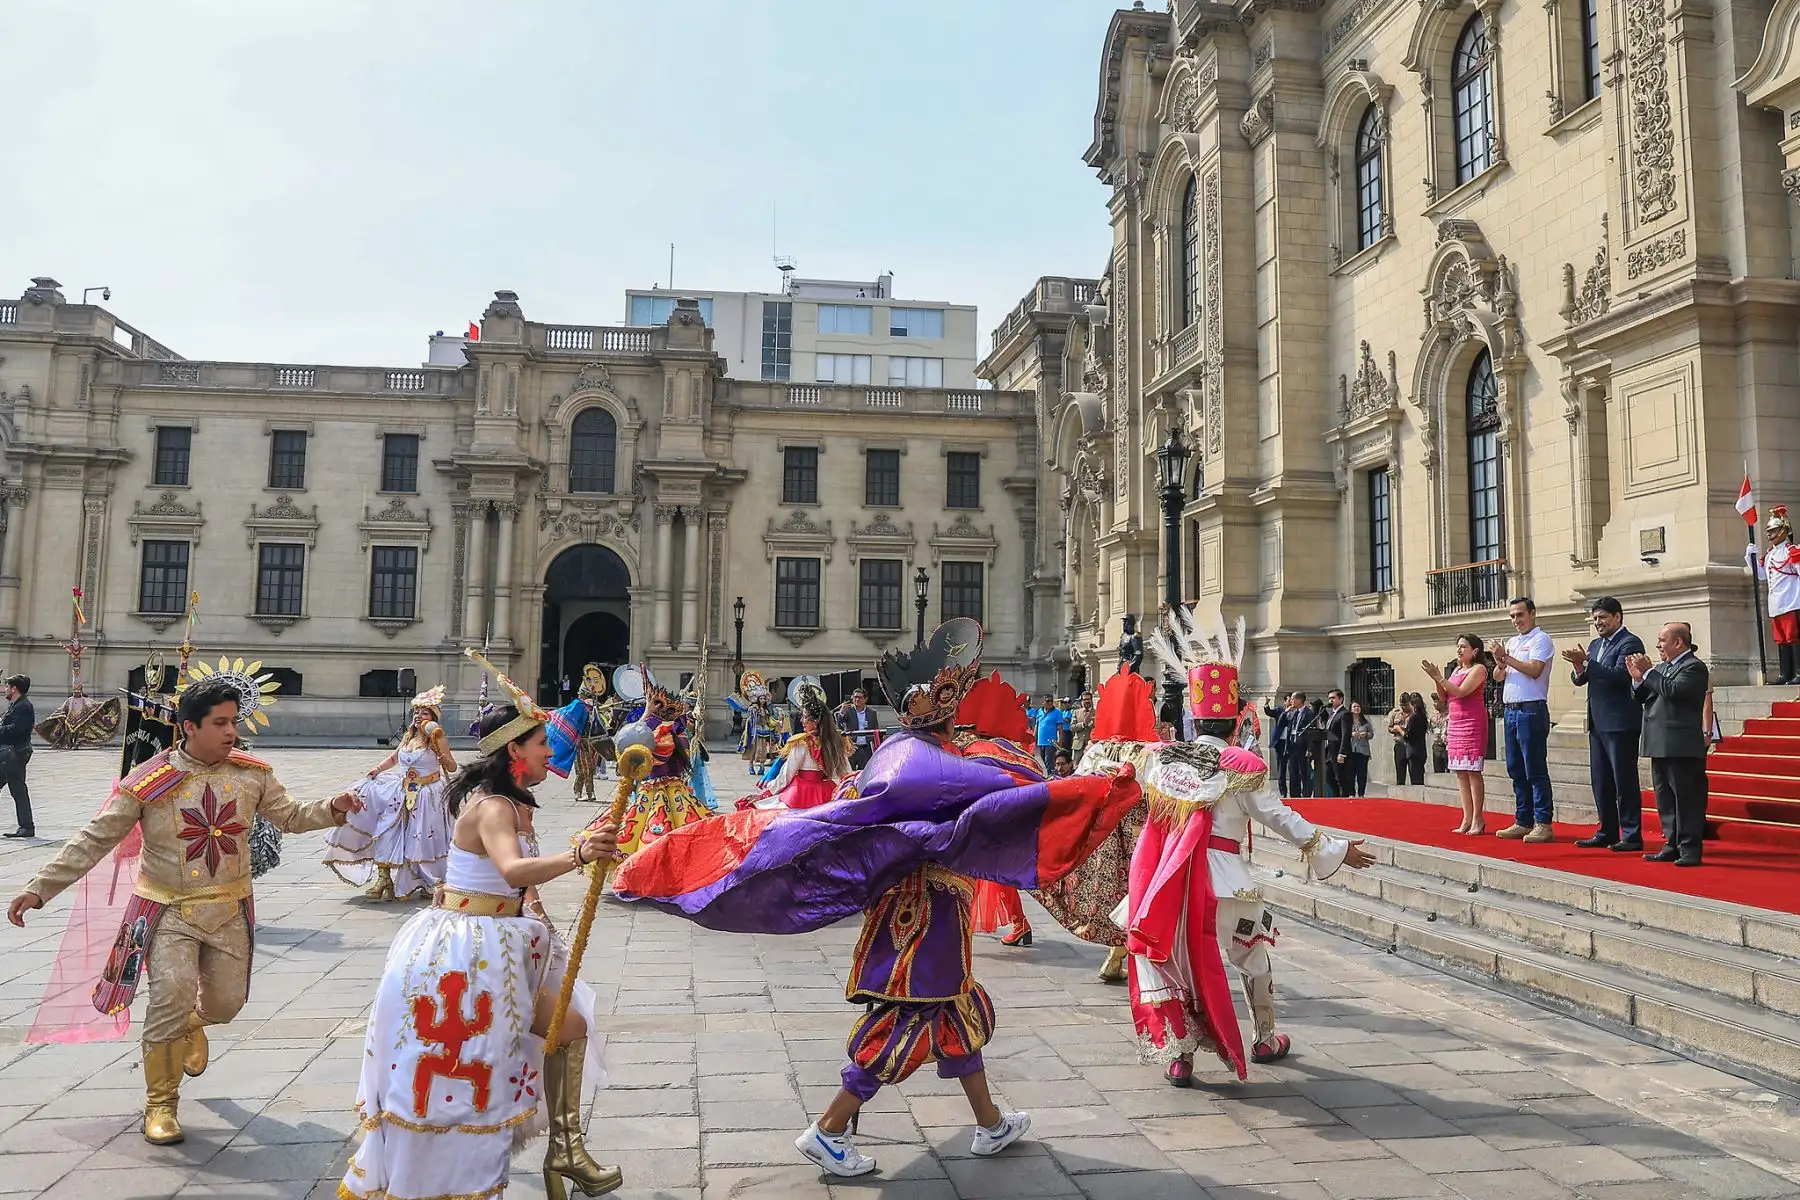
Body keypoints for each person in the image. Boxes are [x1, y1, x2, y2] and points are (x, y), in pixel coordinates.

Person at [613, 619, 1142, 1178]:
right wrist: (1091, 787)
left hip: (932, 912)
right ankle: (829, 1129)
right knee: (906, 1022)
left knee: (954, 1014)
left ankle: (989, 1124)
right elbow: (1003, 792)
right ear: (940, 708)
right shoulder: (919, 760)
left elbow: (994, 789)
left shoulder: (920, 754)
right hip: (922, 916)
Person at [8, 671, 361, 1144]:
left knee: (226, 1005)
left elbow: (293, 816)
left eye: (235, 721)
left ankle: (193, 1027)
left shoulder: (252, 776)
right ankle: (161, 1103)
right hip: (166, 909)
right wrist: (41, 887)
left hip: (229, 910)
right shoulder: (150, 782)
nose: (232, 731)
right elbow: (96, 838)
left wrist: (334, 807)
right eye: (220, 723)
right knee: (169, 997)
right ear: (189, 726)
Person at [340, 665, 627, 1200]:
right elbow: (513, 870)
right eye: (543, 744)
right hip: (467, 954)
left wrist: (537, 910)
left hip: (498, 940)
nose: (550, 753)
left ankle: (565, 1148)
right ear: (515, 752)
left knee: (572, 1025)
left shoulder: (515, 805)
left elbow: (514, 883)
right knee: (470, 1068)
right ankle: (458, 1169)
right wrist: (581, 854)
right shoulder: (494, 807)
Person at [1123, 606, 1376, 1085]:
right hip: (1226, 880)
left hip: (1171, 880)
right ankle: (1264, 1036)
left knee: (1173, 961)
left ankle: (1181, 1055)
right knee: (1252, 955)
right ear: (1236, 721)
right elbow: (1282, 818)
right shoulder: (1243, 766)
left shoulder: (1161, 761)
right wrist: (1337, 849)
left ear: (1193, 720)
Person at [1036, 671, 1155, 985]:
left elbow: (1081, 783)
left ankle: (1117, 956)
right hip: (1137, 837)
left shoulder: (1097, 751)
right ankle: (1125, 956)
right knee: (1135, 894)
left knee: (1110, 895)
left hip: (1102, 838)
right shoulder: (1147, 752)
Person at [323, 685, 458, 900]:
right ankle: (384, 877)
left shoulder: (437, 738)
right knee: (385, 831)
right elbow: (394, 758)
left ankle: (428, 880)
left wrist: (444, 758)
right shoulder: (408, 738)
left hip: (427, 795)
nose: (418, 717)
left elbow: (452, 768)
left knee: (421, 839)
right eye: (416, 712)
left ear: (433, 718)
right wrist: (377, 769)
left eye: (424, 713)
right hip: (401, 791)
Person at [1563, 597, 1647, 851]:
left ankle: (1631, 835)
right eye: (1595, 618)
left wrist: (1588, 663)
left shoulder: (1629, 642)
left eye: (1603, 617)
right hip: (1597, 722)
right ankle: (1607, 830)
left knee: (1624, 780)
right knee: (1601, 780)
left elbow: (1621, 676)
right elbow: (1582, 679)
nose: (1598, 622)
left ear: (1618, 617)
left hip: (1620, 722)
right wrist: (1579, 667)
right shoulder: (1595, 643)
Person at [1630, 623, 1710, 868]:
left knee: (1686, 798)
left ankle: (1690, 848)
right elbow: (1645, 696)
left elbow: (1672, 690)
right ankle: (1671, 843)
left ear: (1678, 643)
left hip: (1681, 745)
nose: (1658, 646)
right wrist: (1637, 679)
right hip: (1659, 742)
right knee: (1665, 798)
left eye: (1662, 640)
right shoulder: (1662, 668)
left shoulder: (1694, 667)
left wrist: (1649, 673)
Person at [613, 678, 711, 858]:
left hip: (654, 793)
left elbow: (627, 741)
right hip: (677, 790)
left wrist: (646, 714)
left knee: (649, 833)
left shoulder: (660, 733)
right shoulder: (677, 733)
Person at [1491, 596, 1556, 842]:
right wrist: (1500, 662)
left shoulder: (1541, 639)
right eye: (1512, 616)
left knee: (1534, 768)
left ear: (1532, 614)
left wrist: (1506, 659)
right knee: (1515, 767)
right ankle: (1523, 819)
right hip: (1511, 710)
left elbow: (1534, 669)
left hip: (1531, 709)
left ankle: (1543, 822)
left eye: (1520, 615)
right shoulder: (1512, 642)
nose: (1516, 620)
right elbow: (1499, 676)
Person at [738, 687, 852, 811]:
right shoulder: (835, 741)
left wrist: (765, 794)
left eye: (804, 717)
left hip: (800, 794)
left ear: (816, 721)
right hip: (826, 793)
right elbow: (847, 773)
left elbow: (786, 775)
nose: (802, 721)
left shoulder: (802, 743)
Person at [1425, 636, 1492, 835]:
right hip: (1455, 722)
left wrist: (1440, 677)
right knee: (1460, 772)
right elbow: (1445, 697)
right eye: (1458, 646)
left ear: (1475, 651)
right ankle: (1466, 817)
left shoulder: (1479, 670)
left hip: (1472, 722)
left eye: (1464, 646)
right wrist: (1436, 680)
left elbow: (1462, 692)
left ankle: (1478, 819)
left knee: (1472, 771)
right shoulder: (1456, 670)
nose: (1459, 650)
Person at [1762, 506, 1799, 684]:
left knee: (1793, 637)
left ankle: (1798, 673)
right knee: (1781, 640)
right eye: (1768, 531)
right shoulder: (1770, 554)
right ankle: (1785, 673)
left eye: (1774, 531)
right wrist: (1751, 558)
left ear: (1784, 530)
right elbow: (1762, 576)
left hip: (1791, 600)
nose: (1770, 535)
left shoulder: (1792, 550)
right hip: (1775, 603)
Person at [1, 675, 36, 838]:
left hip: (15, 754)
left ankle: (27, 827)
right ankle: (26, 826)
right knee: (18, 789)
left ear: (14, 688)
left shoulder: (23, 706)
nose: (5, 689)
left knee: (18, 789)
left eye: (7, 686)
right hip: (9, 754)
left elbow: (17, 729)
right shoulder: (17, 705)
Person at [839, 688, 882, 771]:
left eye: (860, 697)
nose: (857, 699)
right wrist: (841, 713)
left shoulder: (872, 713)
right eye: (855, 697)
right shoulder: (848, 711)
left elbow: (876, 731)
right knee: (849, 773)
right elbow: (839, 725)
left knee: (864, 773)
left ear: (865, 699)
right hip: (852, 747)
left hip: (866, 749)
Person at [1323, 690, 1350, 797]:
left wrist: (1342, 753)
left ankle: (1345, 799)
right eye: (1329, 698)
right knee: (1328, 777)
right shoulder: (1331, 713)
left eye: (1333, 698)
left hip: (1338, 752)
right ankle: (1336, 797)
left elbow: (1345, 734)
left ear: (1341, 699)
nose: (1331, 700)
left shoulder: (1344, 714)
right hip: (1329, 752)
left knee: (1341, 778)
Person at [1342, 700, 1373, 797]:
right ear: (1351, 709)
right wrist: (1351, 734)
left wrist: (1366, 734)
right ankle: (1351, 793)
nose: (1356, 708)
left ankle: (1361, 793)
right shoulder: (1347, 721)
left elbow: (1371, 734)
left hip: (1362, 751)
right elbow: (1343, 733)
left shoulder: (1365, 721)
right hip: (1351, 750)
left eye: (1358, 706)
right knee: (1350, 773)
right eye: (1354, 707)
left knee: (1362, 773)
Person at [1034, 696, 1070, 774]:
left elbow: (1060, 728)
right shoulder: (1039, 711)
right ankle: (1053, 775)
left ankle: (1052, 777)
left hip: (1051, 742)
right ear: (1043, 702)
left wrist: (1060, 741)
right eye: (1047, 701)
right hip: (1041, 741)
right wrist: (1033, 737)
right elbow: (1037, 725)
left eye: (1051, 701)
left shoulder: (1057, 712)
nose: (1050, 703)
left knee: (1049, 762)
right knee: (1044, 760)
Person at [1402, 692, 1430, 785]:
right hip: (1421, 750)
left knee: (1415, 779)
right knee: (1420, 776)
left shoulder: (1413, 717)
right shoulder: (1423, 716)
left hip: (1413, 751)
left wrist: (1399, 729)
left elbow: (1407, 736)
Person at [1387, 697, 1409, 787]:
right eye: (1401, 705)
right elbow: (1389, 727)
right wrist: (1396, 730)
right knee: (1400, 769)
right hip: (1399, 743)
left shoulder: (1413, 713)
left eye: (1405, 705)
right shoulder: (1395, 713)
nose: (1403, 707)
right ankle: (1400, 787)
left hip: (1410, 744)